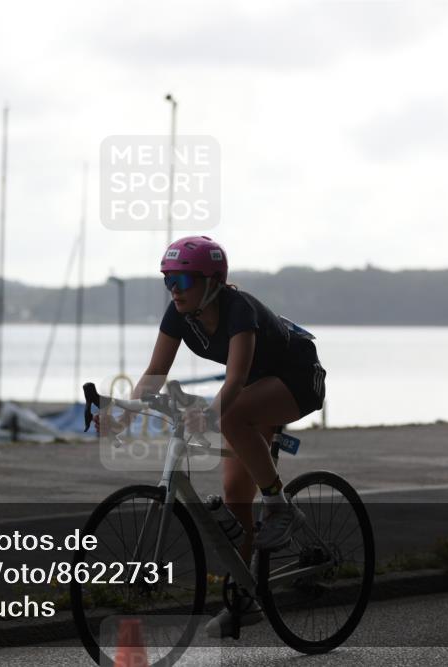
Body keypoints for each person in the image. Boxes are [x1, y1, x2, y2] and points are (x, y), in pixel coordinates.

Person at [92, 235, 327, 637]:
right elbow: (154, 375)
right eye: (168, 280)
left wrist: (209, 415)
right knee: (235, 498)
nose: (174, 289)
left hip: (298, 377)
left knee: (231, 416)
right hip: (254, 389)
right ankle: (244, 601)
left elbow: (234, 381)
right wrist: (121, 418)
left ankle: (280, 508)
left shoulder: (239, 310)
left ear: (213, 282)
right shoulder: (179, 313)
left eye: (182, 281)